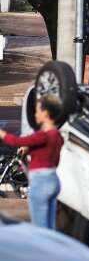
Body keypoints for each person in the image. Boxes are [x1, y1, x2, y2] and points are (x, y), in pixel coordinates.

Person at [0, 95, 64, 230]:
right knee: (49, 226)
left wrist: (1, 133)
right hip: (53, 179)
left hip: (40, 182)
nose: (35, 114)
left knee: (39, 227)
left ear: (46, 113)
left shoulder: (43, 135)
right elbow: (53, 159)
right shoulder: (57, 136)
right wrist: (32, 151)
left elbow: (15, 142)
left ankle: (41, 250)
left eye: (38, 110)